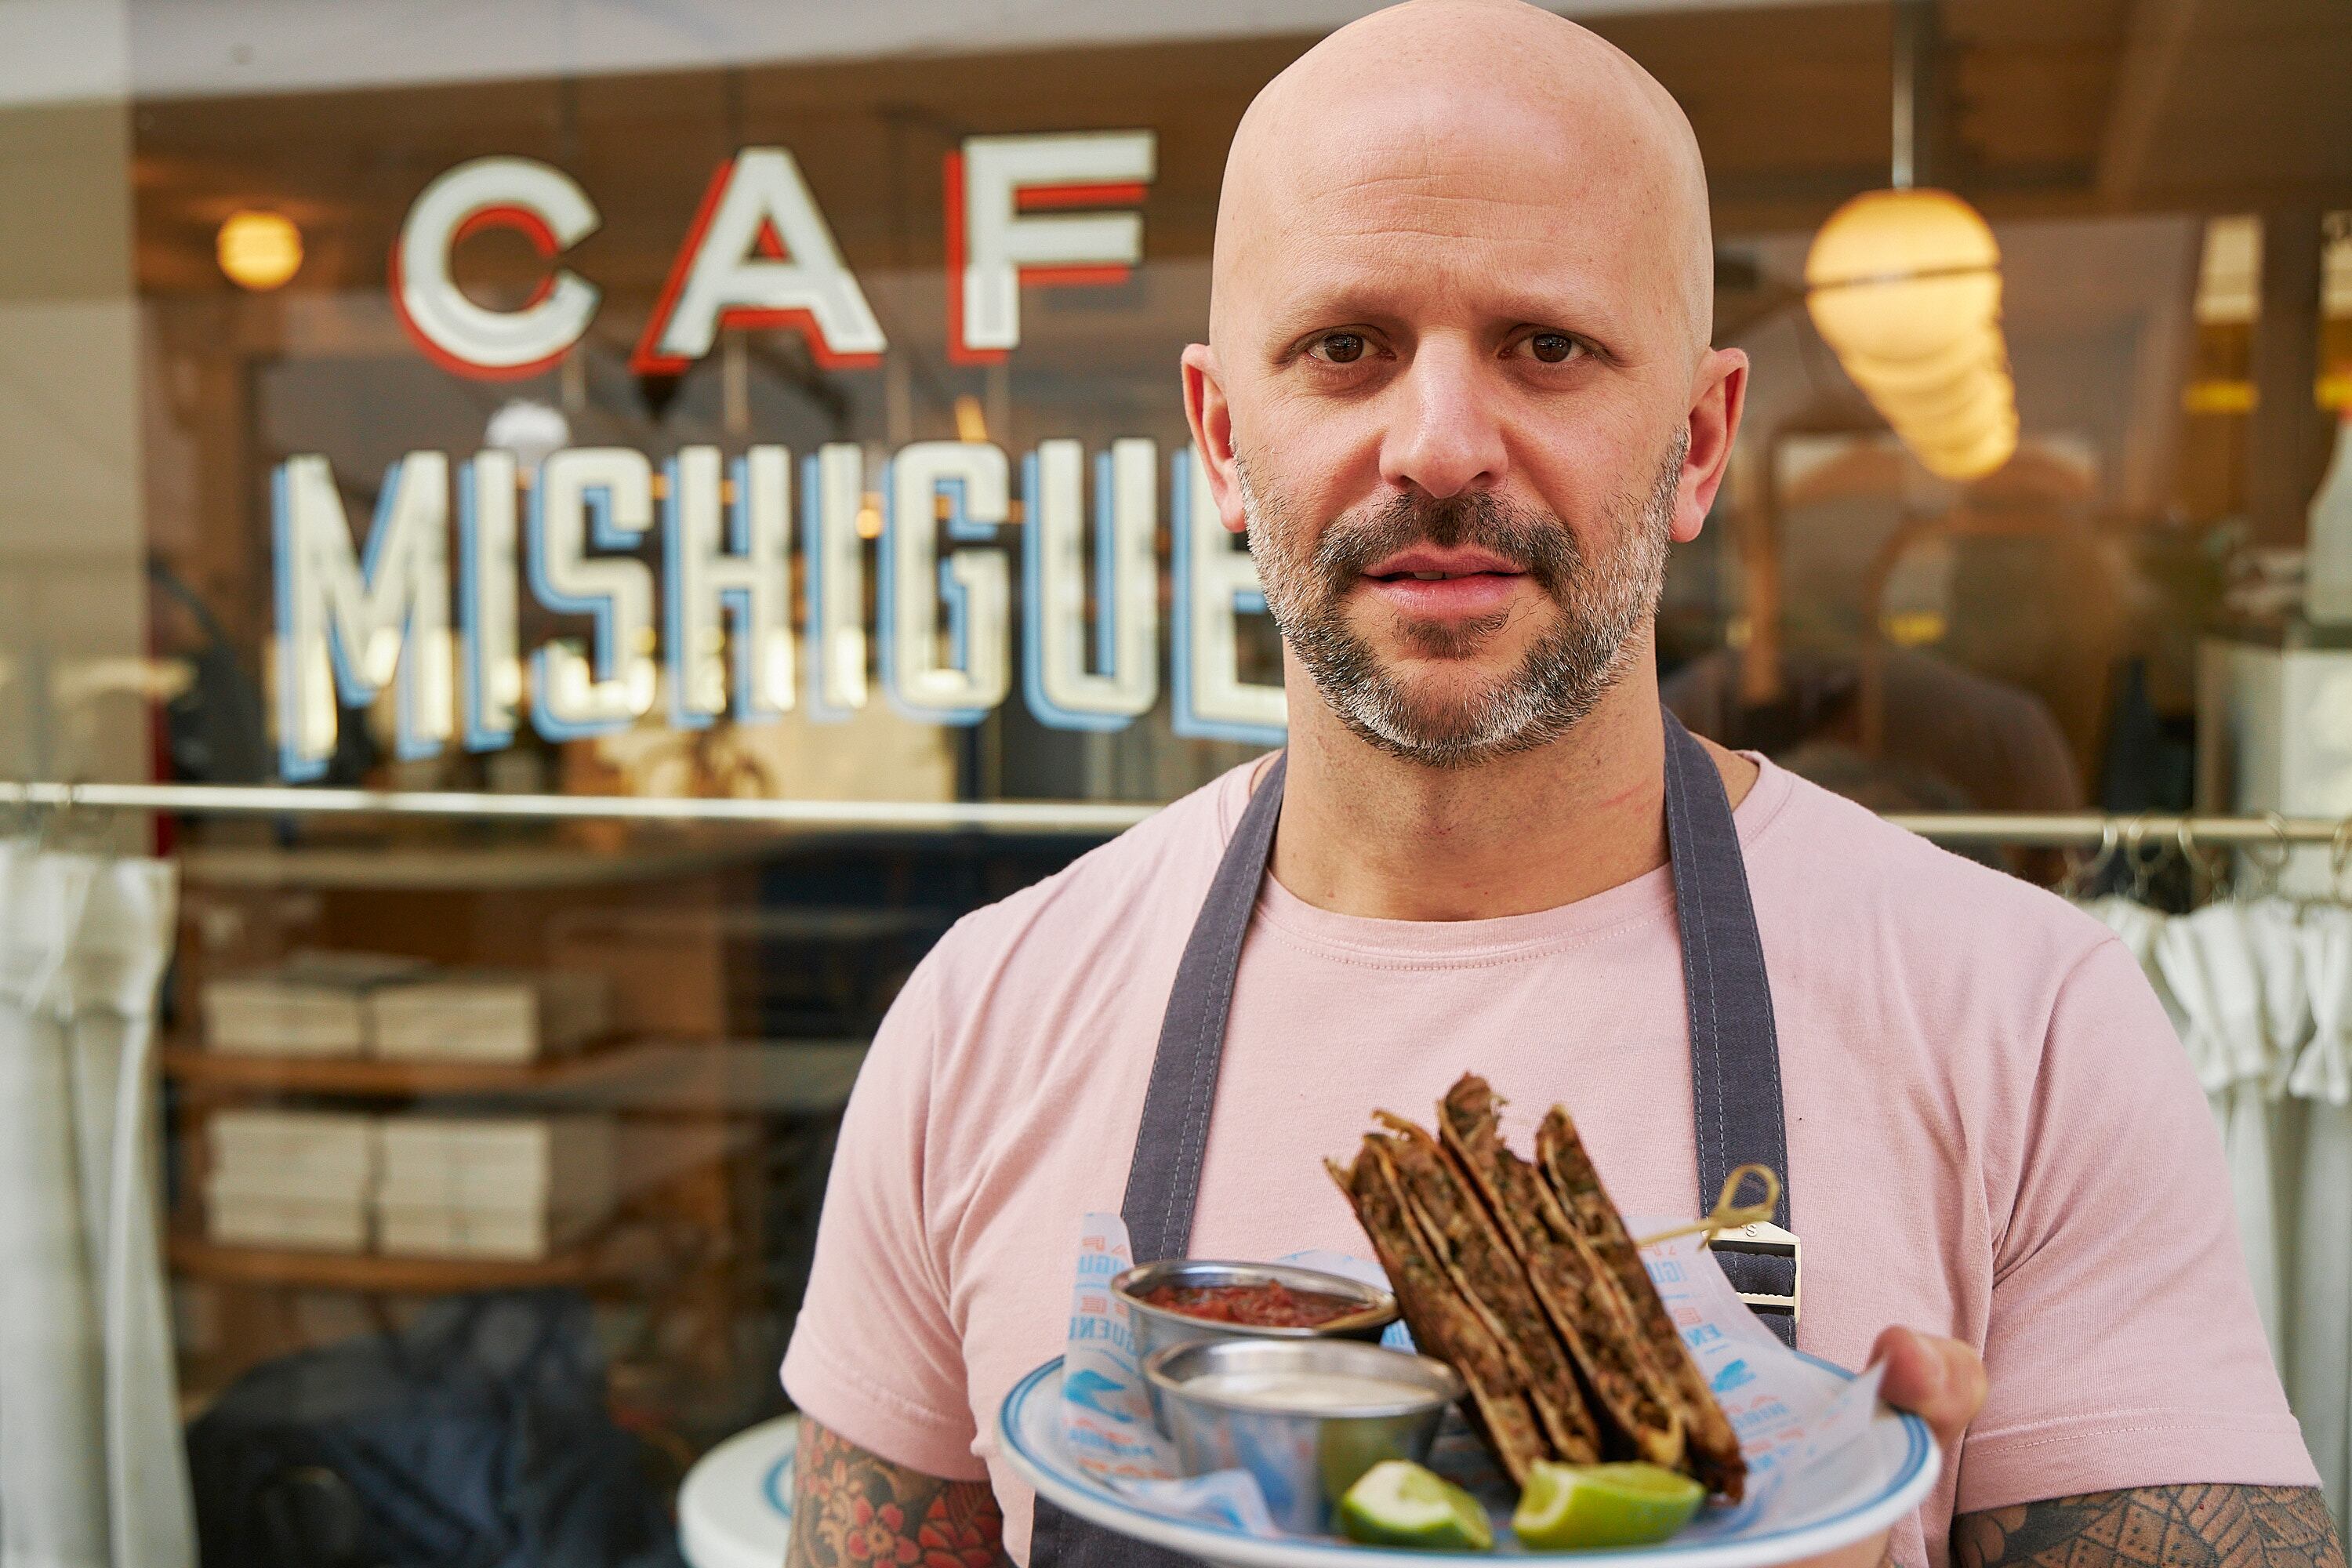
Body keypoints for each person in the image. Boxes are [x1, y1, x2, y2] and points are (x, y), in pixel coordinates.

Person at [780, 2, 2337, 1565]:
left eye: (1548, 346)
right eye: (1347, 347)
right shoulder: (979, 1024)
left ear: (1703, 439)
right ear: (1220, 434)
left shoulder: (2028, 1022)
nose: (1443, 443)